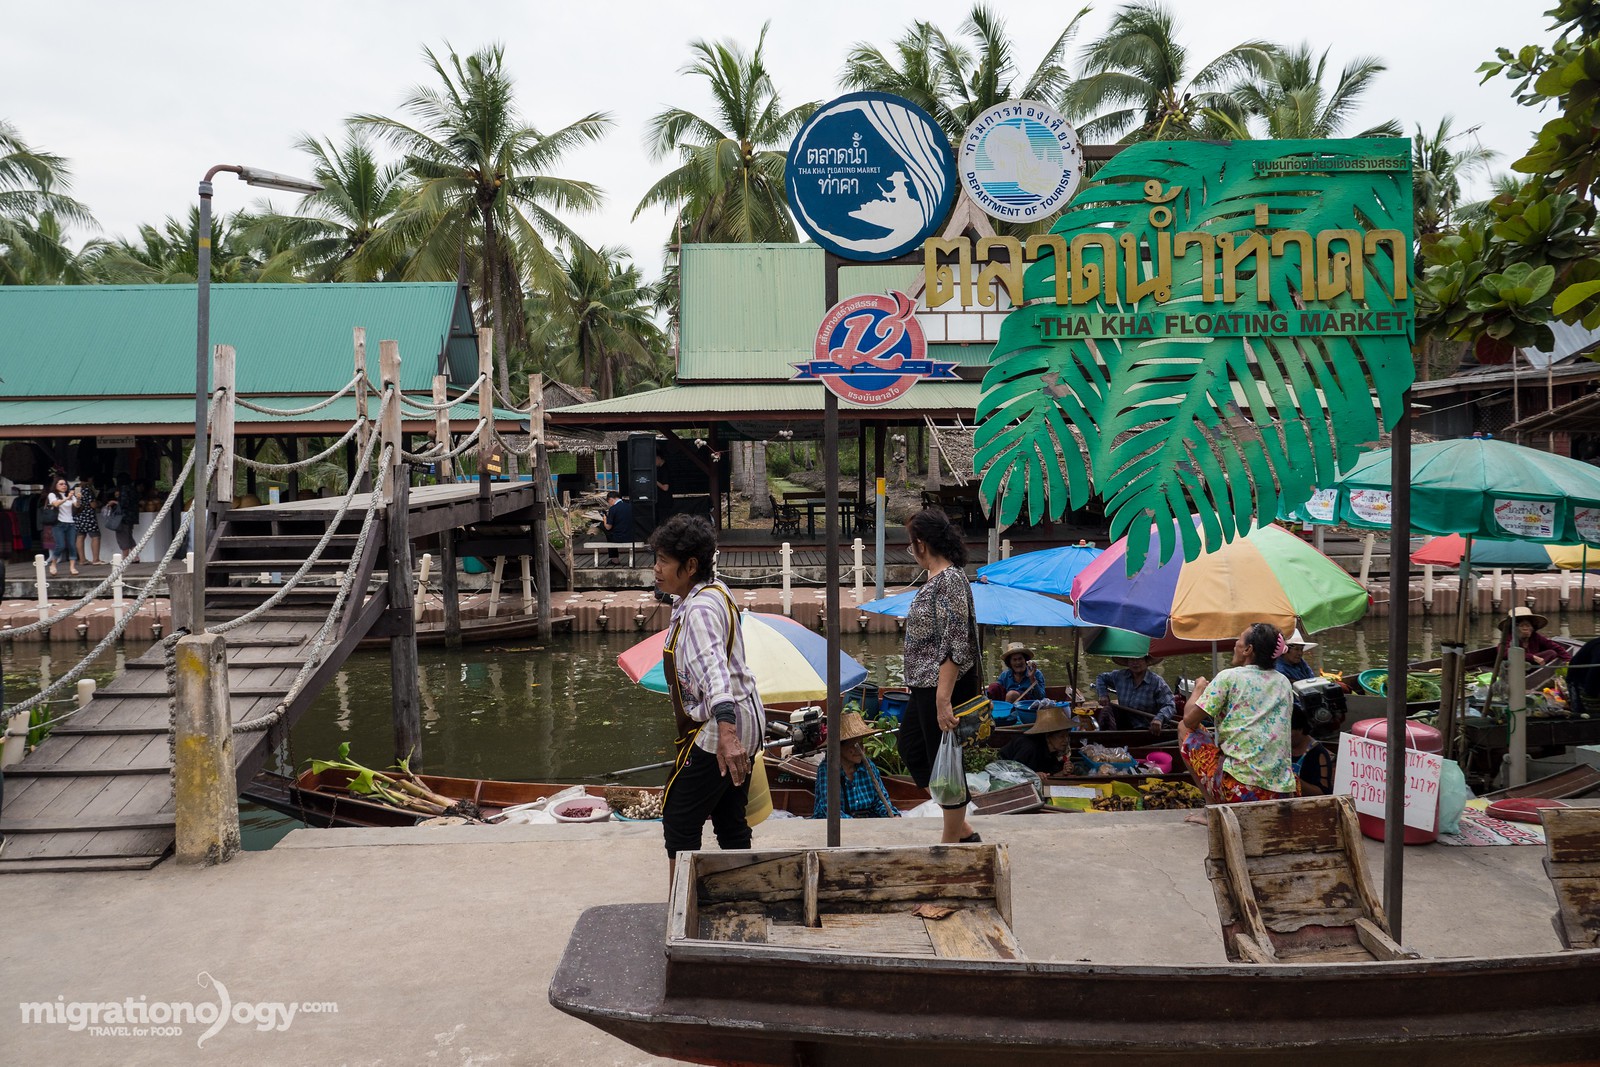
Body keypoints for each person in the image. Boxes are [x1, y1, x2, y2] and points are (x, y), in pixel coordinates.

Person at [649, 515, 763, 882]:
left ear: (690, 566)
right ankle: (741, 894)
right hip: (747, 715)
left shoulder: (698, 611)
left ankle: (679, 906)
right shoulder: (715, 590)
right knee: (730, 815)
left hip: (722, 725)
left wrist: (727, 738)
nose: (656, 568)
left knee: (679, 816)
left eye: (664, 561)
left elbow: (715, 673)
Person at [900, 508, 981, 845]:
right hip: (923, 685)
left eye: (910, 544)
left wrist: (943, 698)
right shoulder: (936, 579)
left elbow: (955, 642)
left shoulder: (949, 580)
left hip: (940, 686)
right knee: (911, 748)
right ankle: (964, 832)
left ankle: (951, 843)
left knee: (946, 765)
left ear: (921, 544)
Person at [1180, 623, 1297, 805]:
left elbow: (1189, 721)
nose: (1235, 644)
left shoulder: (1229, 677)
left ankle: (1213, 808)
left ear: (1248, 649)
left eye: (1239, 640)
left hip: (1239, 789)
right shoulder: (1284, 683)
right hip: (1282, 791)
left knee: (1183, 729)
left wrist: (1199, 689)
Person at [811, 711, 899, 820]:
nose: (859, 750)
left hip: (866, 823)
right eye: (853, 745)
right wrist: (857, 828)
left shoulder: (868, 766)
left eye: (861, 745)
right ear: (839, 748)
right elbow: (831, 811)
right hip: (836, 827)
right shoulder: (828, 769)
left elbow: (880, 802)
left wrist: (893, 816)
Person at [1094, 654, 1177, 734]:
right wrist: (1103, 694)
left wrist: (1159, 719)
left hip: (1145, 729)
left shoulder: (1157, 682)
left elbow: (1170, 705)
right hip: (1123, 724)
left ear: (1146, 661)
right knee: (1107, 710)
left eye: (1139, 659)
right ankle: (1107, 739)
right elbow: (1101, 677)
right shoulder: (1120, 676)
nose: (1135, 663)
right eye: (1131, 659)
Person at [998, 703, 1073, 779]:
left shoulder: (1052, 751)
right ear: (1048, 736)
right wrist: (1033, 775)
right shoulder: (1029, 748)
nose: (1066, 740)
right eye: (1061, 736)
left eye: (1067, 736)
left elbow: (1050, 775)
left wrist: (1063, 772)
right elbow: (1013, 774)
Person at [1497, 607, 1572, 666]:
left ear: (1532, 627)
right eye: (1522, 626)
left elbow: (1554, 646)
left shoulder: (1535, 636)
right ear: (1514, 628)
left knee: (1551, 652)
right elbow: (1505, 653)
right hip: (1515, 668)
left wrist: (1570, 662)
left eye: (1528, 625)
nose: (1525, 628)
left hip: (1533, 666)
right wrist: (1532, 657)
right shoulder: (1508, 638)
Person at [1290, 706, 1334, 796]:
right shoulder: (1281, 750)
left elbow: (1324, 793)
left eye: (1288, 732)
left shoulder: (1318, 754)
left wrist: (1293, 781)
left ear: (1300, 729)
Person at [45, 476, 78, 577]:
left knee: (72, 545)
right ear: (55, 485)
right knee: (60, 545)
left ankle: (72, 567)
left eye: (65, 484)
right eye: (61, 484)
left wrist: (78, 498)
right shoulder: (52, 495)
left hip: (71, 523)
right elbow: (55, 504)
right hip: (58, 523)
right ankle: (53, 564)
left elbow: (77, 506)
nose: (64, 486)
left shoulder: (71, 495)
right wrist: (67, 498)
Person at [601, 490, 633, 564]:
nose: (610, 504)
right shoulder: (629, 506)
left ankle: (614, 559)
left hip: (619, 537)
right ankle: (614, 559)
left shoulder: (613, 509)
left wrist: (605, 519)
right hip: (631, 536)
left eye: (609, 502)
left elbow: (608, 527)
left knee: (604, 527)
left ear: (611, 499)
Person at [74, 476, 101, 565]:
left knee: (80, 536)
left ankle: (82, 559)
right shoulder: (86, 490)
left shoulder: (75, 489)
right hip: (88, 516)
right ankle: (96, 559)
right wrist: (97, 504)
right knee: (95, 536)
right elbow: (93, 505)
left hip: (78, 516)